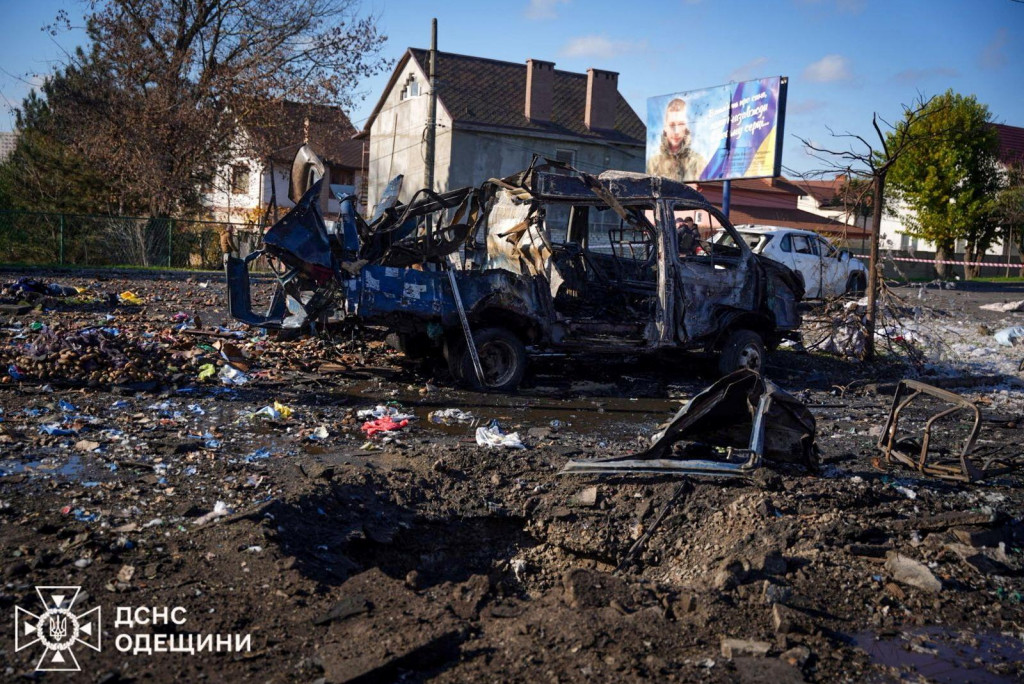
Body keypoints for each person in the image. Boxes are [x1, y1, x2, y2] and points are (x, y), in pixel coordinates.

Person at [647, 98, 708, 182]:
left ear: (687, 126)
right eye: (672, 125)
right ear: (665, 127)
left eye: (681, 124)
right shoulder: (653, 163)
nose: (676, 131)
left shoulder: (699, 162)